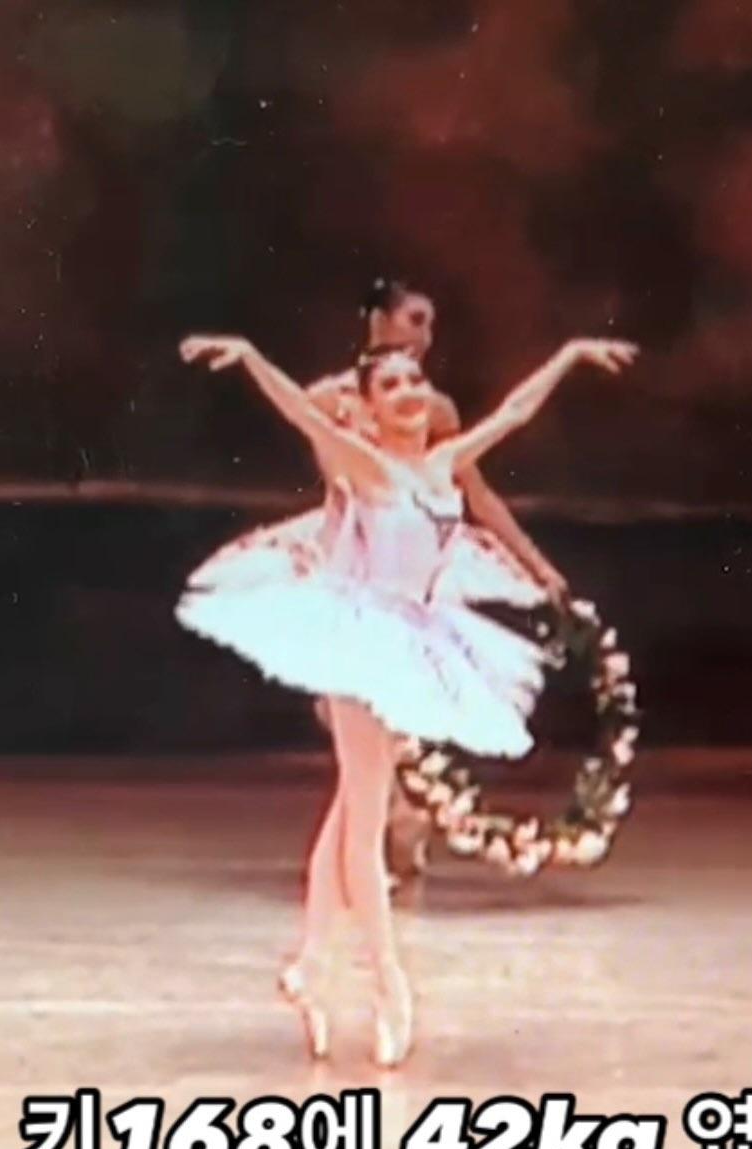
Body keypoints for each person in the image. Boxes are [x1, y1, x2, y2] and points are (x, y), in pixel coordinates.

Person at [176, 331, 637, 1068]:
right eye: (390, 385)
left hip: (421, 639)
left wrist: (571, 354)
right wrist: (254, 357)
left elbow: (514, 412)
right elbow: (304, 414)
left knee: (350, 805)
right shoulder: (367, 468)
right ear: (369, 406)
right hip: (362, 637)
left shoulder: (444, 465)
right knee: (364, 821)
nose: (409, 392)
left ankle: (313, 964)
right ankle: (389, 983)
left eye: (414, 380)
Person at [181, 277, 569, 883]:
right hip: (356, 549)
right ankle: (379, 831)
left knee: (389, 713)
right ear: (378, 322)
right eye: (415, 320)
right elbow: (335, 471)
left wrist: (535, 562)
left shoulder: (433, 411)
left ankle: (383, 827)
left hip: (415, 543)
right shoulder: (333, 399)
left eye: (430, 324)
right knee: (346, 710)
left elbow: (477, 484)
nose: (426, 336)